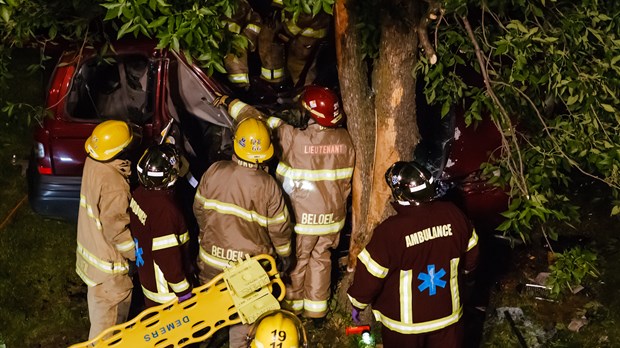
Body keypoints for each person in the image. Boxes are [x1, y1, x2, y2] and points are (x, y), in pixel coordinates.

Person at [215, 85, 355, 322]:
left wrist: (231, 103)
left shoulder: (293, 137)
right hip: (332, 222)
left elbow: (257, 121)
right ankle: (317, 313)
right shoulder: (346, 140)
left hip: (301, 220)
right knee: (321, 261)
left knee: (296, 265)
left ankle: (293, 311)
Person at [347, 161, 479, 347]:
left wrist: (357, 302)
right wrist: (466, 276)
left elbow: (370, 274)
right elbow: (471, 255)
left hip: (405, 327)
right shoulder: (454, 215)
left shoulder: (391, 231)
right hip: (447, 318)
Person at [192, 117, 293, 348]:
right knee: (244, 325)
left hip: (211, 264)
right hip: (249, 271)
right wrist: (286, 256)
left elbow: (198, 210)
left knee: (206, 320)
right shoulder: (268, 186)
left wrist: (207, 235)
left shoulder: (214, 171)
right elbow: (280, 230)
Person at [76, 120, 136, 339]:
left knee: (98, 321)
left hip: (93, 263)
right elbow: (117, 230)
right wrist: (135, 254)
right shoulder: (114, 185)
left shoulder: (93, 162)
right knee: (108, 336)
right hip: (111, 273)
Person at [129, 144, 194, 309]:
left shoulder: (139, 194)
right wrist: (183, 291)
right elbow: (166, 255)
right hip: (167, 293)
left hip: (148, 279)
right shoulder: (164, 210)